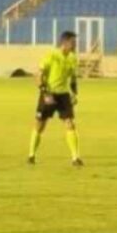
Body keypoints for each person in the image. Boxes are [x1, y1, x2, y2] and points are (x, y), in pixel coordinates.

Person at [28, 31, 82, 167]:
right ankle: (31, 155)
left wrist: (75, 94)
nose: (75, 44)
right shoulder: (51, 55)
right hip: (49, 93)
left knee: (70, 123)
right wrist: (45, 93)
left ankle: (75, 158)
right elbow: (38, 75)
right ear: (65, 42)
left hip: (63, 95)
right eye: (73, 42)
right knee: (40, 125)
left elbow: (73, 78)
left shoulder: (73, 58)